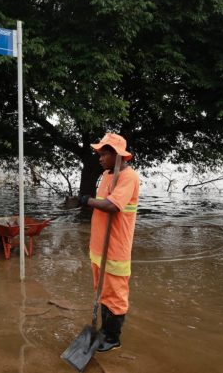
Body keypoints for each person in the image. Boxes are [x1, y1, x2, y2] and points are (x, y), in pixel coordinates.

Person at [78, 133, 139, 352]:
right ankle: (103, 331)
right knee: (101, 291)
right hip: (98, 246)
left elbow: (113, 206)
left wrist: (87, 200)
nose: (100, 158)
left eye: (105, 154)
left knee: (115, 295)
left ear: (118, 156)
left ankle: (112, 338)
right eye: (100, 154)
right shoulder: (106, 175)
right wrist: (89, 201)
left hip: (115, 248)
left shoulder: (129, 177)